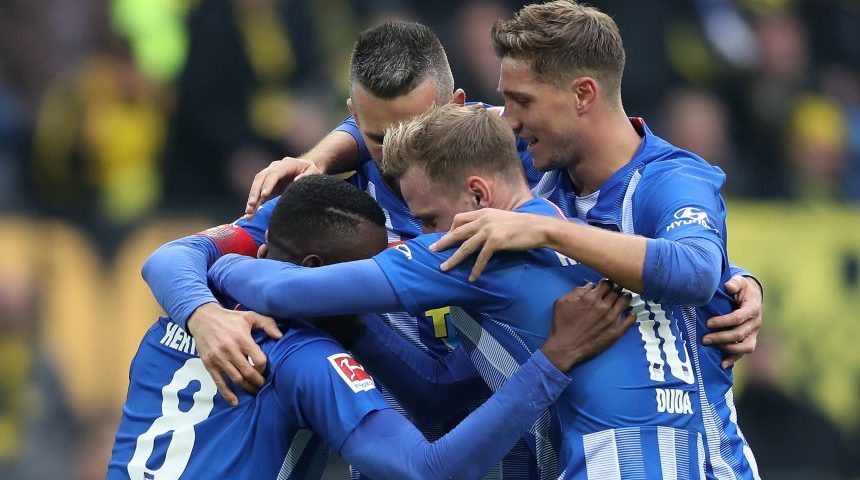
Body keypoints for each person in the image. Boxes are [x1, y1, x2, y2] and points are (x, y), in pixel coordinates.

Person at [208, 104, 738, 479]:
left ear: (478, 197)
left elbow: (286, 291)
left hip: (616, 462)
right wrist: (739, 280)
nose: (421, 235)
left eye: (428, 219)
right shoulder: (597, 230)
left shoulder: (472, 251)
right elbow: (441, 390)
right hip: (707, 458)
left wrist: (221, 265)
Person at [109, 175, 635, 480]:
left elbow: (434, 395)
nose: (373, 300)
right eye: (362, 279)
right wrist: (553, 360)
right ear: (314, 272)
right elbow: (426, 470)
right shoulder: (302, 359)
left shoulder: (172, 324)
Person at [429, 2, 761, 478]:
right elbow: (402, 122)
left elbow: (695, 270)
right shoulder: (530, 153)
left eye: (522, 101)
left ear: (582, 94)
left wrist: (549, 229)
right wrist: (323, 158)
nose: (510, 121)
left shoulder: (672, 179)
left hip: (695, 464)